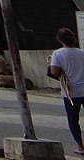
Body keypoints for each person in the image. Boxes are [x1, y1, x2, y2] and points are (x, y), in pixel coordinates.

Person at [50, 27, 84, 156]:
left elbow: (54, 72)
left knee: (73, 120)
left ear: (59, 40)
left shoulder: (58, 54)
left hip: (70, 93)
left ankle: (81, 147)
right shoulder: (82, 52)